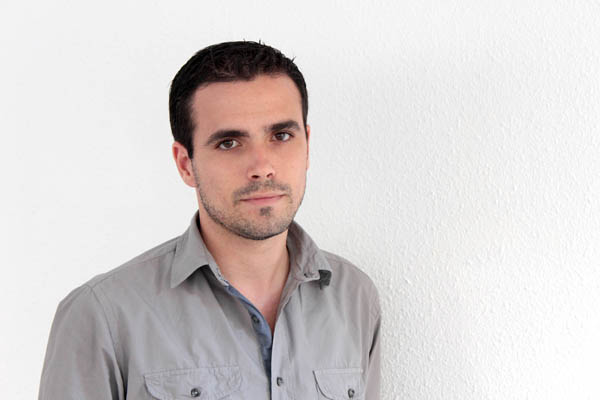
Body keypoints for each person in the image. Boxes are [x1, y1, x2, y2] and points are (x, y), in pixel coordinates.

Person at [39, 40, 381, 399]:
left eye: (281, 136)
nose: (262, 167)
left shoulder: (355, 298)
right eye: (229, 143)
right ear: (185, 163)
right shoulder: (102, 314)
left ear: (307, 145)